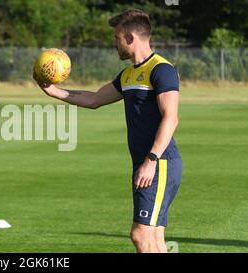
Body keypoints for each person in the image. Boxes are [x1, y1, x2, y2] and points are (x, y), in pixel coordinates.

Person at [34, 10, 182, 253]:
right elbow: (94, 99)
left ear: (131, 38)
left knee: (140, 234)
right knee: (153, 239)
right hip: (148, 164)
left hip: (159, 163)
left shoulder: (161, 70)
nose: (115, 43)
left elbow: (171, 118)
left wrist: (151, 160)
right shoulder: (128, 74)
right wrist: (54, 92)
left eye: (117, 37)